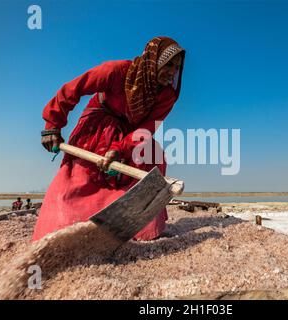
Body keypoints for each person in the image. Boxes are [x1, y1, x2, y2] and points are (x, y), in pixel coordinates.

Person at [33, 36, 185, 242]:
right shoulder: (117, 71)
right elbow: (74, 88)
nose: (172, 72)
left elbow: (146, 129)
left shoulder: (167, 96)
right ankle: (64, 228)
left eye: (176, 68)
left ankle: (138, 228)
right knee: (82, 174)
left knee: (154, 155)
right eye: (168, 65)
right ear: (153, 61)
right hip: (99, 122)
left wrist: (120, 149)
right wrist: (53, 123)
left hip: (133, 135)